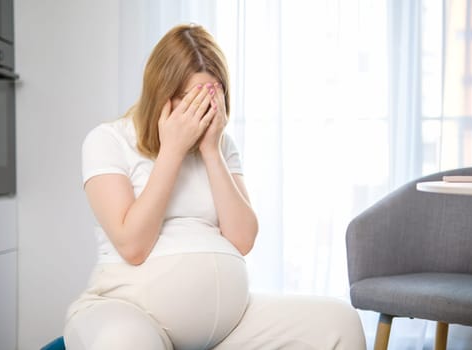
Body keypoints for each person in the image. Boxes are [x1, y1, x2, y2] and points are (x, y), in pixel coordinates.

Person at [64, 24, 366, 350]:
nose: (203, 112)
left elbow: (243, 238)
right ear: (161, 95)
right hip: (128, 310)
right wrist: (172, 151)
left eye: (211, 97)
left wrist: (211, 151)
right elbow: (133, 246)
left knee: (340, 323)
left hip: (229, 325)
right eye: (190, 99)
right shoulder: (108, 140)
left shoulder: (221, 146)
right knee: (127, 343)